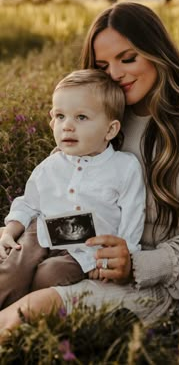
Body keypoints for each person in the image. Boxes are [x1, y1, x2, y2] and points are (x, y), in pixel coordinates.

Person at [0, 1, 179, 331]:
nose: (115, 74)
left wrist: (137, 264)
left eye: (128, 59)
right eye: (102, 65)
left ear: (157, 52)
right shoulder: (103, 112)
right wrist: (21, 234)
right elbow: (59, 188)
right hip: (74, 250)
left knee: (23, 314)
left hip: (148, 281)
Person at [0, 68, 146, 310]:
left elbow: (133, 217)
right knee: (14, 268)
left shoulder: (124, 167)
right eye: (60, 116)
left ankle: (18, 313)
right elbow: (28, 204)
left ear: (110, 130)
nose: (67, 126)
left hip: (85, 249)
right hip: (42, 232)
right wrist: (9, 232)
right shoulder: (50, 166)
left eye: (81, 117)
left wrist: (119, 260)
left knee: (50, 275)